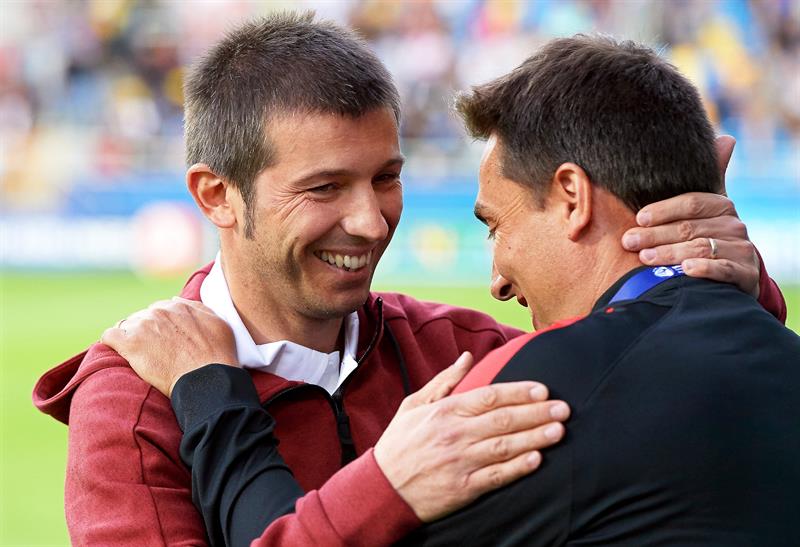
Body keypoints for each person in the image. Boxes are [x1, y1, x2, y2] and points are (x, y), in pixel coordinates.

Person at [33, 14, 786, 546]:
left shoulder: (457, 348)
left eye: (386, 177)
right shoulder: (135, 398)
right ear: (216, 195)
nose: (370, 221)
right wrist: (385, 486)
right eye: (325, 187)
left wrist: (721, 281)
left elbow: (659, 388)